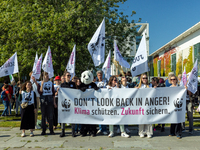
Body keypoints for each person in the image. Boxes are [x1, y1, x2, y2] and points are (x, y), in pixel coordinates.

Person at [60, 72, 76, 137]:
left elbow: (75, 92)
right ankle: (63, 131)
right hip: (64, 103)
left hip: (71, 103)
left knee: (72, 117)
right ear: (65, 77)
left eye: (69, 75)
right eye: (67, 75)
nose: (69, 76)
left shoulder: (73, 84)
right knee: (63, 117)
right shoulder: (62, 85)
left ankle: (73, 132)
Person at [137, 74, 153, 138]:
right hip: (141, 104)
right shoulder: (139, 86)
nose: (145, 79)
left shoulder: (150, 86)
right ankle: (141, 132)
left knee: (148, 118)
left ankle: (148, 132)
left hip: (148, 104)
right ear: (141, 79)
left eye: (146, 78)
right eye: (143, 78)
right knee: (141, 118)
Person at [169, 75, 182, 139]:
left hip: (178, 105)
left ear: (176, 80)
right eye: (171, 79)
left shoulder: (179, 87)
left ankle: (178, 133)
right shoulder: (169, 88)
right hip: (171, 105)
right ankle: (172, 132)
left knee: (178, 119)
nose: (173, 81)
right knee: (173, 119)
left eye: (174, 79)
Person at [95, 70, 108, 135]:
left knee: (104, 115)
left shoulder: (105, 82)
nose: (100, 76)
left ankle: (104, 129)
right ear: (97, 76)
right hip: (97, 101)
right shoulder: (95, 83)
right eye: (98, 75)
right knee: (99, 115)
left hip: (104, 100)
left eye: (101, 75)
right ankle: (100, 128)